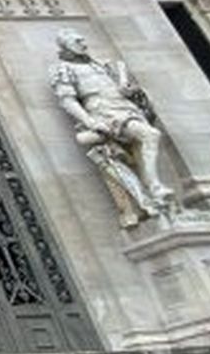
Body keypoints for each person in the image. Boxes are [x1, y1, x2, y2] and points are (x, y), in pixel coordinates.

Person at [49, 29, 172, 226]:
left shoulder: (98, 63)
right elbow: (68, 101)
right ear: (66, 45)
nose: (83, 42)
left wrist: (126, 88)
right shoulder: (63, 69)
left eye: (83, 38)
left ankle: (152, 193)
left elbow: (117, 86)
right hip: (104, 112)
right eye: (77, 40)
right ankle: (155, 186)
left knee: (145, 142)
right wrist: (90, 122)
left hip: (125, 107)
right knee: (151, 135)